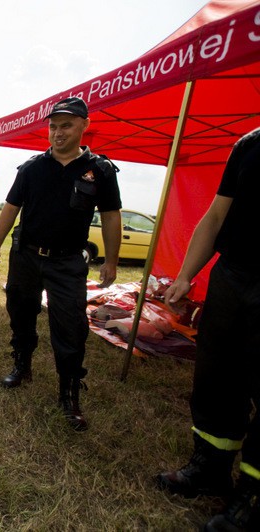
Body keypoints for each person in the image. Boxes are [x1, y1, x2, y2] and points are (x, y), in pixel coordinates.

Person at [0, 97, 122, 431]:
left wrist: (112, 262)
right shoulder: (32, 168)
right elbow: (10, 208)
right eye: (53, 126)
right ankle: (22, 365)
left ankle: (69, 393)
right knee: (20, 311)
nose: (57, 133)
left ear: (84, 125)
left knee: (71, 327)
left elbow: (111, 217)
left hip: (68, 262)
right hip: (27, 255)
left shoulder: (99, 171)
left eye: (66, 125)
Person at [156, 127, 260, 531]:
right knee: (217, 376)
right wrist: (185, 276)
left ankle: (252, 495)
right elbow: (217, 213)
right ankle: (210, 467)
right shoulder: (249, 145)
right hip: (233, 275)